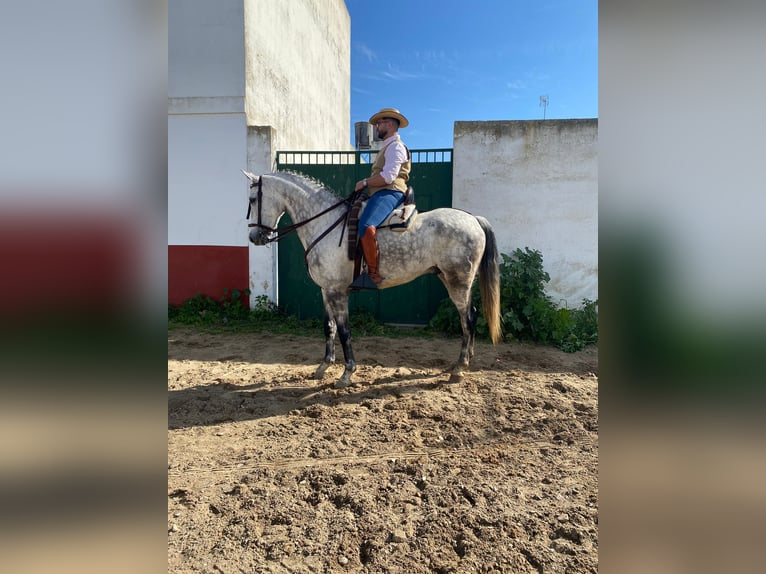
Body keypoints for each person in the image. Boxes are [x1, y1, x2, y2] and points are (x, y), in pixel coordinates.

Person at [350, 107, 412, 289]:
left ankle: (373, 274)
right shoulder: (387, 147)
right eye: (377, 123)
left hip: (390, 191)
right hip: (381, 192)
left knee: (366, 226)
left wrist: (364, 182)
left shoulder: (396, 147)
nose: (377, 126)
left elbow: (388, 177)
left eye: (380, 123)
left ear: (390, 124)